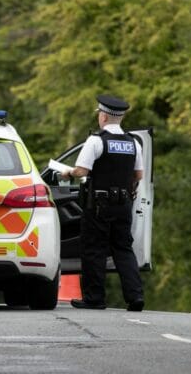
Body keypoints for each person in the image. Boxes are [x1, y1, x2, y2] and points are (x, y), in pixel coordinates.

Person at [60, 95, 145, 312]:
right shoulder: (133, 143)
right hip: (123, 204)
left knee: (94, 249)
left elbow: (82, 171)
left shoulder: (96, 141)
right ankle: (135, 296)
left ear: (104, 116)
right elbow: (139, 175)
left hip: (98, 205)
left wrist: (68, 172)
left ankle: (94, 298)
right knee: (123, 248)